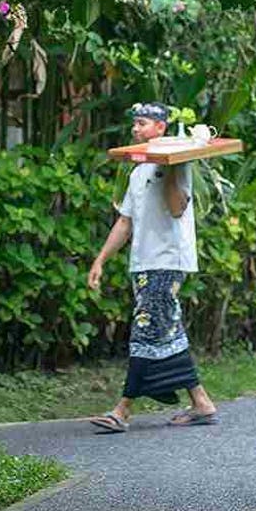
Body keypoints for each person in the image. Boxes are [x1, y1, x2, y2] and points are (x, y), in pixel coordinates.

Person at [86, 101, 219, 432]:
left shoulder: (179, 166)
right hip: (142, 263)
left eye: (142, 123)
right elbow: (125, 222)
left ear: (160, 128)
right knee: (166, 330)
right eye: (135, 123)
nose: (135, 129)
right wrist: (101, 259)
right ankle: (201, 402)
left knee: (146, 331)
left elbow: (177, 209)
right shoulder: (136, 171)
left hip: (167, 261)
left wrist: (172, 168)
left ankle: (122, 410)